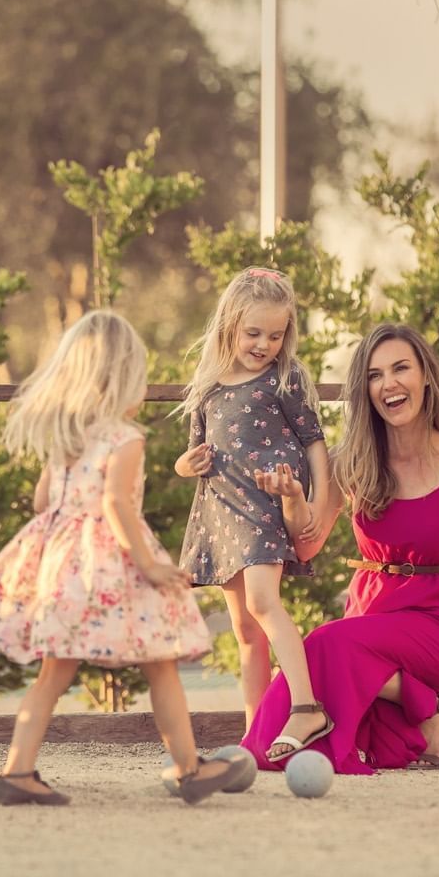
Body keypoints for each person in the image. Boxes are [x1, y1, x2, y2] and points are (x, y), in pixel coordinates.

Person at [0, 310, 250, 805]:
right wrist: (148, 564)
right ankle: (187, 768)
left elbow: (41, 502)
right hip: (114, 560)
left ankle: (17, 771)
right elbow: (116, 504)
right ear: (121, 379)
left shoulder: (67, 437)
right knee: (160, 661)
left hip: (65, 562)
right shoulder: (125, 437)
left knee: (54, 672)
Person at [241, 323, 439, 774]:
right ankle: (430, 715)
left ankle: (258, 744)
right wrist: (293, 499)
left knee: (325, 645)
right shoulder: (351, 460)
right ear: (365, 390)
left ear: (426, 378)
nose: (389, 383)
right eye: (375, 375)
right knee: (377, 730)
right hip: (372, 615)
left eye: (401, 368)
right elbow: (307, 544)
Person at [174, 266, 335, 762]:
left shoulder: (284, 378)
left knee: (265, 604)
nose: (265, 343)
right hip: (221, 511)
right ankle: (255, 735)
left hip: (268, 505)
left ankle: (306, 706)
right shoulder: (207, 386)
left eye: (276, 334)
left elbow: (314, 442)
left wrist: (321, 495)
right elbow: (192, 453)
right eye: (254, 333)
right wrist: (185, 465)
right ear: (229, 325)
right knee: (244, 631)